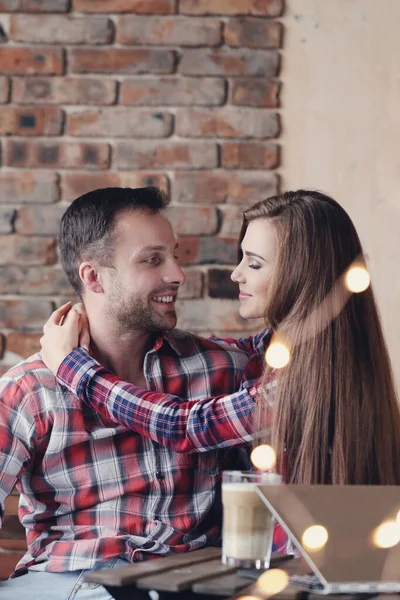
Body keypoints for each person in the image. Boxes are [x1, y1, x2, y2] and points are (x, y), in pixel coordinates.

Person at [0, 187, 258, 599]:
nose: (177, 274)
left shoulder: (219, 369)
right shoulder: (30, 390)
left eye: (175, 255)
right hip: (69, 581)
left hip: (186, 581)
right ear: (94, 277)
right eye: (153, 260)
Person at [41, 190, 400, 486]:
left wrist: (77, 370)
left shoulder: (314, 373)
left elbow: (186, 427)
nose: (236, 274)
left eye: (254, 263)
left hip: (301, 560)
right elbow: (239, 348)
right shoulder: (309, 347)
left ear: (303, 274)